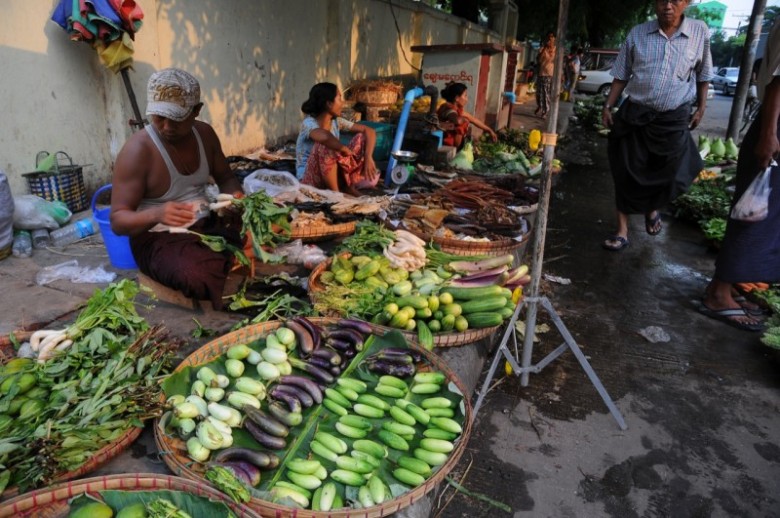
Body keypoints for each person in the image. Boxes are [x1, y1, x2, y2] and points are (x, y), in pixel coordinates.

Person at [111, 68, 245, 310]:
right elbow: (118, 222)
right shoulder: (138, 150)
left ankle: (223, 254)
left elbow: (226, 178)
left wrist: (235, 199)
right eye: (159, 117)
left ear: (196, 110)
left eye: (176, 118)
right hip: (158, 237)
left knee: (267, 226)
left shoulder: (204, 134)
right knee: (195, 273)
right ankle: (220, 260)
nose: (166, 126)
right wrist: (157, 214)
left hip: (204, 223)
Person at [601, 0, 712, 251]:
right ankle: (622, 231)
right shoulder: (638, 33)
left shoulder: (699, 32)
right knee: (625, 171)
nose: (668, 6)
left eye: (675, 0)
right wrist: (607, 105)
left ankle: (652, 209)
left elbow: (704, 74)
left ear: (686, 3)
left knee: (669, 171)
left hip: (673, 118)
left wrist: (701, 108)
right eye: (662, 0)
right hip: (635, 114)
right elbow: (621, 74)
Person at [699, 18, 780, 331]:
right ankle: (719, 294)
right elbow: (777, 81)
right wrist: (769, 135)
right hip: (774, 130)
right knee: (754, 215)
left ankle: (727, 287)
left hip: (773, 129)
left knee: (764, 215)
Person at [297, 83, 379, 195]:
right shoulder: (308, 123)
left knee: (361, 138)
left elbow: (370, 131)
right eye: (339, 98)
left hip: (330, 176)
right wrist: (343, 149)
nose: (342, 103)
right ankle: (337, 195)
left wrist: (368, 157)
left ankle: (347, 186)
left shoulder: (336, 121)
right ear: (329, 104)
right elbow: (325, 137)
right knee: (326, 145)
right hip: (309, 180)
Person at [436, 82, 497, 150]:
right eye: (465, 96)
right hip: (441, 144)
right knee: (462, 124)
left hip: (450, 143)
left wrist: (489, 130)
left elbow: (474, 120)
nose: (467, 99)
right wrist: (464, 120)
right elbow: (456, 120)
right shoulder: (448, 108)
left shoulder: (458, 110)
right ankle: (456, 151)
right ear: (457, 98)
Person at [534, 31, 557, 119]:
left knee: (545, 93)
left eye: (551, 37)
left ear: (554, 39)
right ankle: (540, 106)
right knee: (538, 93)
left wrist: (561, 75)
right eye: (548, 37)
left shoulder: (556, 50)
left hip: (550, 74)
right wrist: (544, 49)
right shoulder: (542, 49)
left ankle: (545, 111)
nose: (550, 39)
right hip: (541, 73)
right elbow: (538, 60)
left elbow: (559, 63)